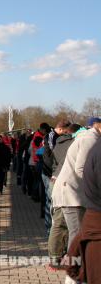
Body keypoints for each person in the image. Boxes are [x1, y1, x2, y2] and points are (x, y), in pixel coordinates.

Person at [53, 117, 101, 250]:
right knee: (76, 234)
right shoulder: (90, 139)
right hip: (71, 193)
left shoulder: (90, 138)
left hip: (74, 192)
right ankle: (73, 266)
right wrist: (94, 188)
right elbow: (80, 168)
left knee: (76, 232)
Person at [66, 117, 101, 283]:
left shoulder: (94, 144)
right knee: (73, 231)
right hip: (74, 194)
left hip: (89, 211)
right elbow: (80, 168)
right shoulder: (91, 141)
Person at [47, 123, 81, 270]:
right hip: (65, 184)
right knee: (63, 223)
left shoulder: (59, 143)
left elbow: (51, 161)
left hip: (56, 181)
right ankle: (60, 258)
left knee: (59, 222)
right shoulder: (74, 143)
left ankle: (57, 256)